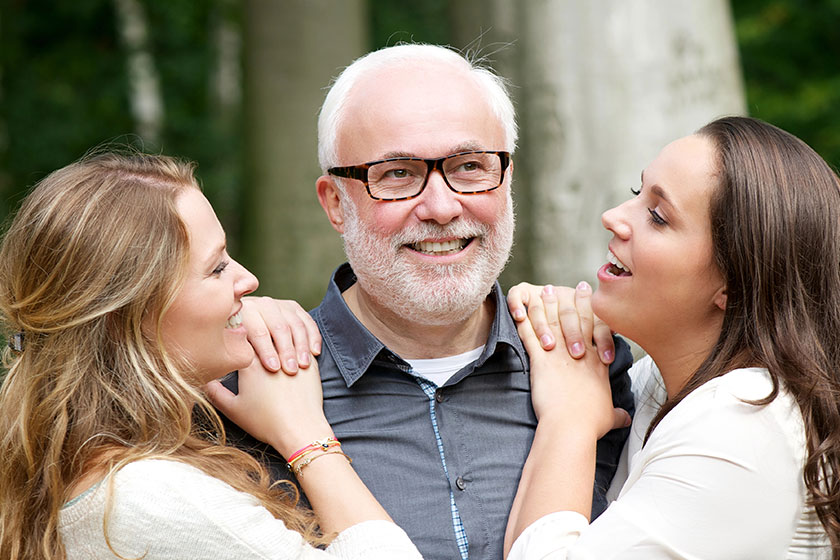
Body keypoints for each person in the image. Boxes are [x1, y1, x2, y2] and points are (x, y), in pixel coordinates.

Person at [223, 43, 635, 560]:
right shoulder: (250, 385)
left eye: (469, 166)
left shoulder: (591, 361)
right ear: (335, 203)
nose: (441, 207)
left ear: (507, 180)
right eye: (396, 174)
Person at [0, 152, 422, 559]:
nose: (249, 279)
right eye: (217, 268)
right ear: (130, 316)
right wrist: (307, 436)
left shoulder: (67, 468)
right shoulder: (150, 499)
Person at [504, 116, 839, 558]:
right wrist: (555, 328)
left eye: (658, 217)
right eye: (635, 194)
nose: (613, 218)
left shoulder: (743, 421)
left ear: (733, 284)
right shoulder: (661, 382)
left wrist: (569, 418)